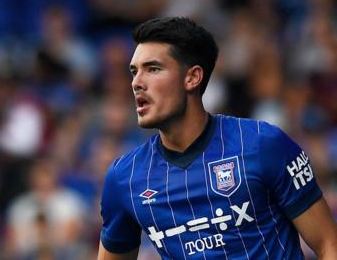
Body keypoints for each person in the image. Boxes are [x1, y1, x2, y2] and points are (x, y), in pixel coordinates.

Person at [97, 17, 337, 260]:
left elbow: (329, 245)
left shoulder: (262, 144)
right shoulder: (124, 179)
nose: (137, 82)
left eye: (153, 69)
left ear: (192, 78)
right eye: (134, 71)